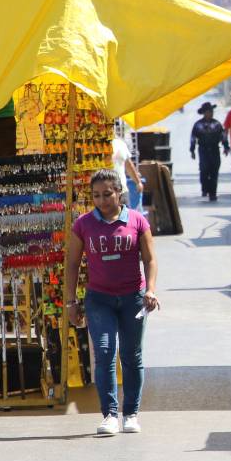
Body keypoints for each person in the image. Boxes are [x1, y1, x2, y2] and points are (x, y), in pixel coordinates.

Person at [64, 170, 160, 436]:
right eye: (96, 195)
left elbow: (150, 260)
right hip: (99, 299)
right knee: (104, 353)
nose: (102, 200)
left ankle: (131, 413)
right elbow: (72, 264)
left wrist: (150, 291)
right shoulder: (83, 224)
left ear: (119, 193)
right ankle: (109, 415)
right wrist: (70, 302)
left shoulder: (138, 221)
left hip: (133, 299)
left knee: (131, 355)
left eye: (107, 194)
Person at [190, 102, 225, 201]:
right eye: (209, 111)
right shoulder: (198, 125)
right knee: (204, 171)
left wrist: (226, 146)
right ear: (204, 113)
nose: (211, 113)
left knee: (214, 171)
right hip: (203, 151)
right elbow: (193, 138)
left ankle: (213, 193)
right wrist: (192, 150)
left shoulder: (217, 124)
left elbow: (223, 136)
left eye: (212, 111)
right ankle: (205, 188)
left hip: (214, 150)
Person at [111, 120, 143, 211]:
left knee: (125, 221)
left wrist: (138, 182)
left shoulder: (120, 143)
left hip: (122, 190)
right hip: (105, 193)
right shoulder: (100, 146)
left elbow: (128, 164)